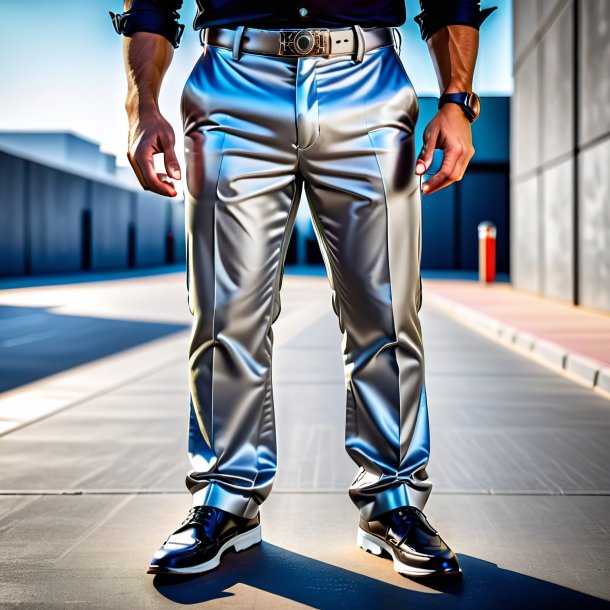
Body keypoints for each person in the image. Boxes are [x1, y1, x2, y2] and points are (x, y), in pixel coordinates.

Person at [110, 0, 496, 578]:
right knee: (224, 311)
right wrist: (142, 101)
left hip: (366, 77)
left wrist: (457, 99)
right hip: (232, 83)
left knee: (386, 311)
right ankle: (225, 497)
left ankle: (393, 502)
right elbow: (149, 3)